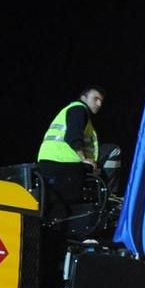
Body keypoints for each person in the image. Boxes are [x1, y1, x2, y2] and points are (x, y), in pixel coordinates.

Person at [37, 87, 107, 232]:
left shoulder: (76, 111)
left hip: (52, 163)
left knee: (58, 209)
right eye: (95, 99)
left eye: (101, 101)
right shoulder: (78, 109)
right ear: (83, 98)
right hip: (62, 164)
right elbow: (73, 137)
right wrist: (84, 159)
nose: (99, 103)